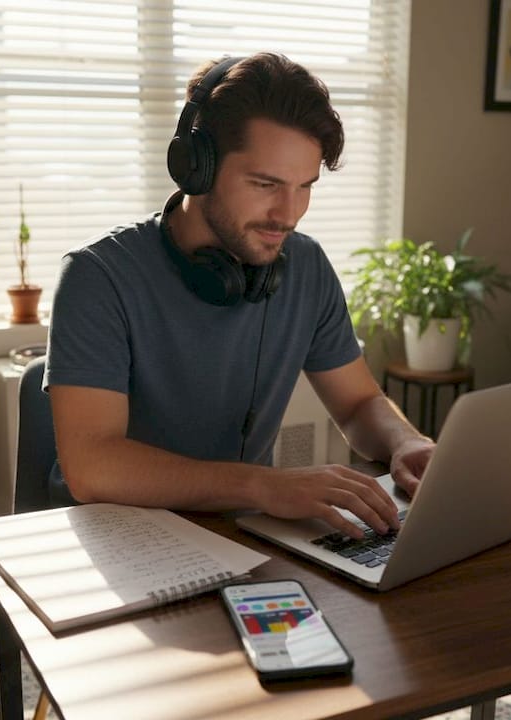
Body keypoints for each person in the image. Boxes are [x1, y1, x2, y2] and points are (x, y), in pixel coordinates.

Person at [45, 53, 435, 540]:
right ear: (196, 168)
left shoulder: (306, 266)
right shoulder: (97, 276)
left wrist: (405, 441)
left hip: (245, 534)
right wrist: (263, 486)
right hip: (117, 538)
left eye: (304, 187)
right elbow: (92, 467)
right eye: (265, 184)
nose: (288, 214)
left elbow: (357, 404)